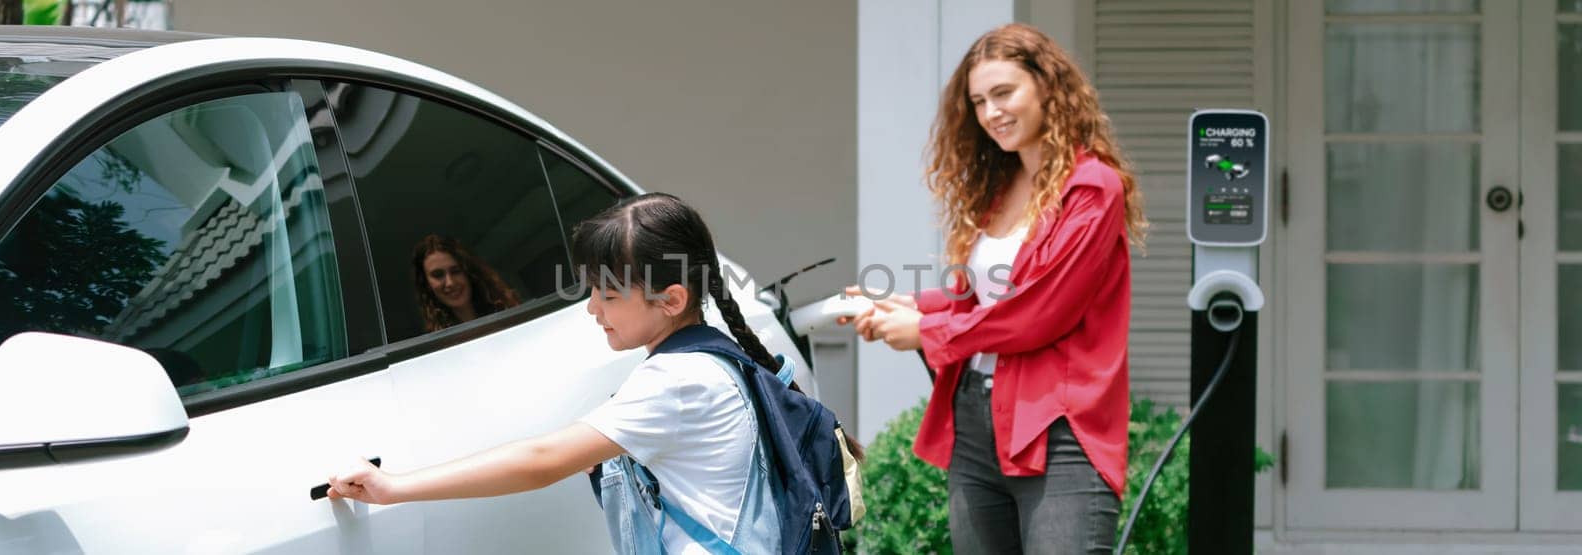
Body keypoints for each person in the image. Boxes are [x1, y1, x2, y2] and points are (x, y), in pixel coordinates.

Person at [330, 193, 792, 553]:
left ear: (670, 300)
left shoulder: (676, 382)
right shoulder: (715, 360)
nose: (591, 308)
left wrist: (393, 488)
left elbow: (541, 463)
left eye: (607, 295)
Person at [842, 23, 1148, 554]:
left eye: (1004, 93)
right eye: (979, 101)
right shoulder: (1002, 190)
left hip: (1059, 430)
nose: (991, 113)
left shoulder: (1092, 187)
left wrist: (926, 332)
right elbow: (983, 297)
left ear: (1048, 87)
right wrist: (905, 305)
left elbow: (1039, 311)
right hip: (976, 423)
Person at [412, 234, 519, 332]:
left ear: (469, 272)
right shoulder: (435, 346)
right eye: (438, 275)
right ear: (427, 284)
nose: (450, 283)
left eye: (456, 271)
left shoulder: (513, 315)